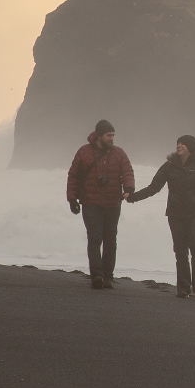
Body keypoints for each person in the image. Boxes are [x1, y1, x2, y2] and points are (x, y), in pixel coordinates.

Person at [128, 134, 195, 299]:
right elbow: (154, 187)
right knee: (180, 250)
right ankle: (183, 287)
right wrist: (133, 197)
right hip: (175, 213)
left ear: (190, 148)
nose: (179, 146)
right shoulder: (169, 166)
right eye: (178, 143)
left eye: (183, 144)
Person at [66, 119, 135, 290]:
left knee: (110, 240)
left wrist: (128, 188)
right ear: (99, 136)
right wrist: (72, 199)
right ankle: (97, 275)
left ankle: (108, 277)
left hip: (113, 203)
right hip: (91, 203)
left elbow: (127, 172)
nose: (112, 138)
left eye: (113, 135)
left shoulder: (119, 154)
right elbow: (73, 176)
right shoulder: (84, 152)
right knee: (95, 238)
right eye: (108, 135)